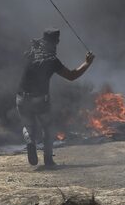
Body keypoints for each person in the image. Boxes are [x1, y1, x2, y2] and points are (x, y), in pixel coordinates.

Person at [16, 28, 95, 167]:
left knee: (28, 126)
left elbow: (30, 49)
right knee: (48, 127)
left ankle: (30, 143)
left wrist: (36, 44)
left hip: (21, 98)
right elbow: (72, 76)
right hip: (40, 100)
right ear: (56, 42)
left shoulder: (30, 52)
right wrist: (87, 63)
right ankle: (48, 160)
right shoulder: (52, 61)